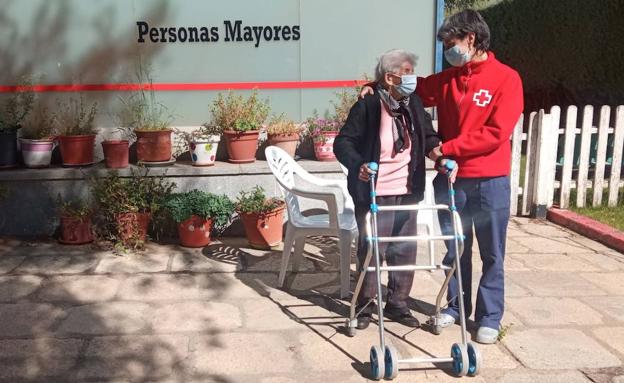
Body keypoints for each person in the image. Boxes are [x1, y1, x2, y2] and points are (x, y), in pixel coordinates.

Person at [360, 9, 523, 344]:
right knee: (455, 249)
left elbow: (496, 132)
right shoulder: (449, 79)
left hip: (489, 181)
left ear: (471, 39)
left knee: (492, 253)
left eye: (452, 43)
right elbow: (413, 87)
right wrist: (375, 85)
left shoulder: (506, 78)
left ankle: (489, 317)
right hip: (452, 182)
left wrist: (447, 149)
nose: (449, 51)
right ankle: (454, 307)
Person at [334, 49, 455, 330]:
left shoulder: (413, 104)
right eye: (408, 73)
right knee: (373, 250)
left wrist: (439, 156)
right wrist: (359, 165)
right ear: (389, 78)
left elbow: (428, 137)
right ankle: (364, 306)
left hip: (407, 189)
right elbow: (343, 142)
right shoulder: (368, 106)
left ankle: (398, 303)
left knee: (404, 250)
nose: (413, 78)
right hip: (376, 191)